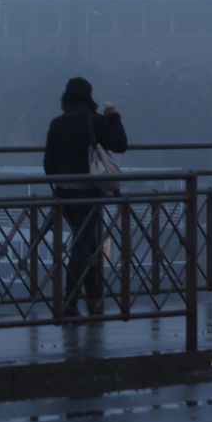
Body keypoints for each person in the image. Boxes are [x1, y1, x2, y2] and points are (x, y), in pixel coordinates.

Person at [41, 76, 127, 317]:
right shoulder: (95, 122)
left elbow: (48, 162)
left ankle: (93, 300)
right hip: (89, 193)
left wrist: (58, 185)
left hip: (64, 194)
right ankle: (70, 301)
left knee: (89, 244)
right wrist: (113, 116)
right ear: (89, 96)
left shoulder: (57, 124)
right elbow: (120, 144)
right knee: (83, 246)